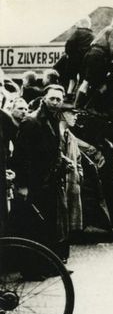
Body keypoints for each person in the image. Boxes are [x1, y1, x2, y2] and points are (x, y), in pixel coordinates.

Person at [11, 85, 70, 260]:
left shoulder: (53, 119)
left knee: (47, 224)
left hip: (48, 181)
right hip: (34, 182)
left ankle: (46, 265)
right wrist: (22, 185)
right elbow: (20, 156)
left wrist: (62, 160)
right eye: (52, 98)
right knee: (33, 226)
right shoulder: (32, 121)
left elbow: (52, 149)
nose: (55, 102)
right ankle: (31, 268)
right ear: (44, 98)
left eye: (58, 99)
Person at [56, 103, 84, 262]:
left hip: (71, 185)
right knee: (59, 223)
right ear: (62, 114)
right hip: (58, 184)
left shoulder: (71, 137)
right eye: (72, 113)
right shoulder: (54, 134)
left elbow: (78, 158)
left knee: (66, 224)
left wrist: (78, 174)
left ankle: (63, 258)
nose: (75, 116)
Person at [64, 16, 95, 95]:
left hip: (74, 59)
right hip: (85, 60)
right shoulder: (92, 35)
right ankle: (79, 96)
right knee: (83, 79)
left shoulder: (77, 32)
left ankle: (69, 94)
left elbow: (69, 42)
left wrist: (69, 54)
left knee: (72, 79)